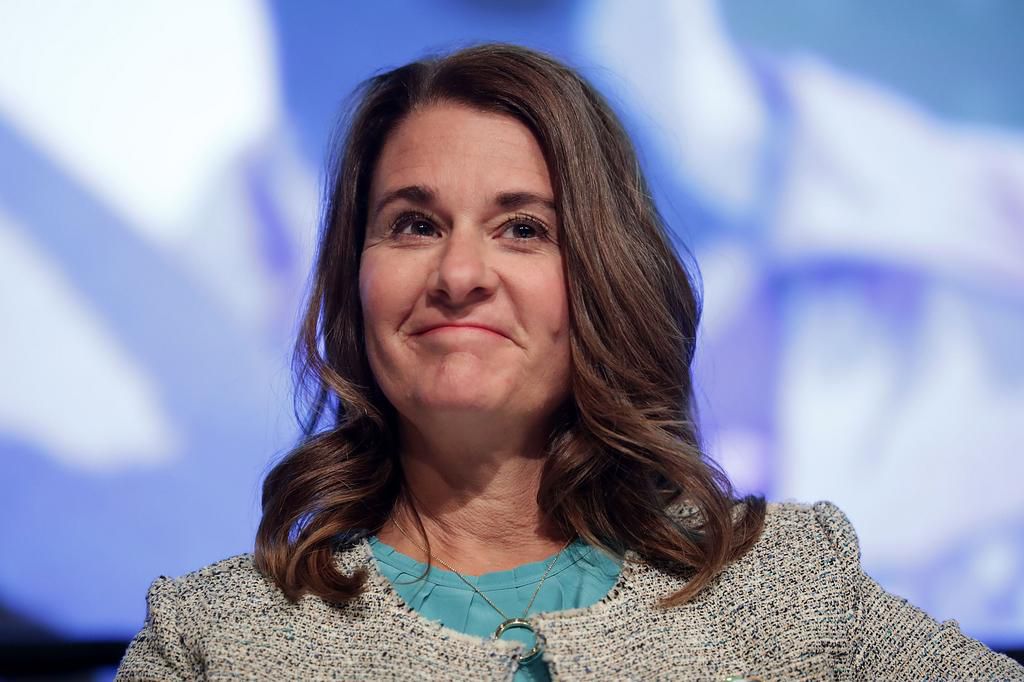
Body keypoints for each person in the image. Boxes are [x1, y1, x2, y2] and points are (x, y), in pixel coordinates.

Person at [115, 43, 1023, 681]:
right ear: (354, 281)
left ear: (603, 279)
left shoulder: (785, 588)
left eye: (524, 230)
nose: (461, 274)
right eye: (414, 225)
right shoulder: (216, 644)